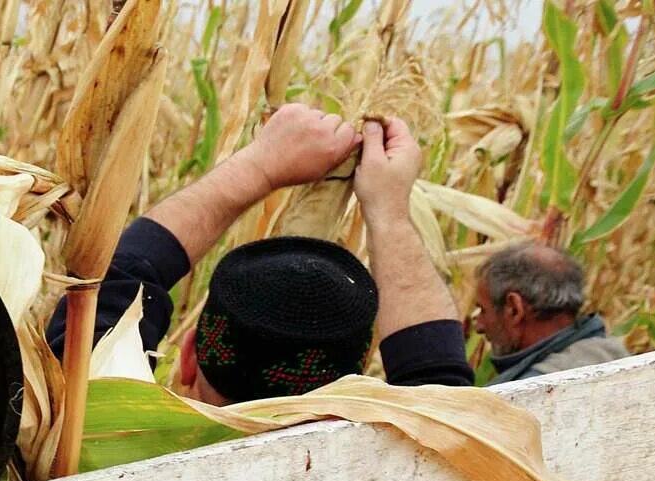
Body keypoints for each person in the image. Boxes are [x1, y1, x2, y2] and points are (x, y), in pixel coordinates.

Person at [48, 104, 473, 401]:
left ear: (190, 357)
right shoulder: (411, 475)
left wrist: (261, 165)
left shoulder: (85, 434)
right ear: (351, 389)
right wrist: (390, 211)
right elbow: (437, 386)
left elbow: (116, 276)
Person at [472, 241, 631, 382]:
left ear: (514, 309)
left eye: (483, 311)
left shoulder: (530, 389)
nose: (478, 325)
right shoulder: (614, 354)